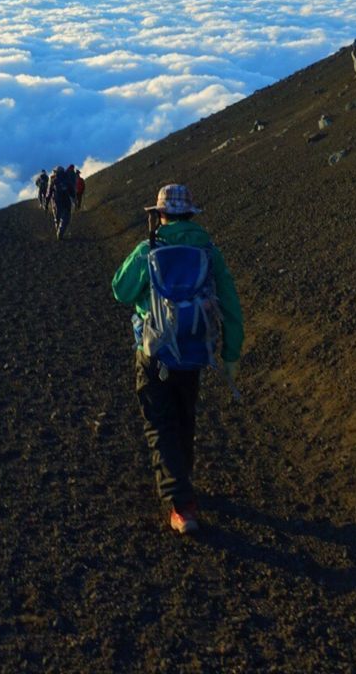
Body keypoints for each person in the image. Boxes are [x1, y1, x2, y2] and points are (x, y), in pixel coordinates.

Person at [111, 183, 244, 534]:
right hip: (195, 350)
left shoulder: (149, 249)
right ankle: (182, 481)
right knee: (184, 418)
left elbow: (120, 291)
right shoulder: (209, 251)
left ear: (160, 215)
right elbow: (230, 303)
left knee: (159, 423)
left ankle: (181, 505)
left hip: (154, 352)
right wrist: (230, 354)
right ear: (191, 215)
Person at [47, 166, 73, 239]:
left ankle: (58, 231)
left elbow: (49, 193)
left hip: (56, 202)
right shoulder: (67, 179)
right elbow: (71, 190)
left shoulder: (53, 180)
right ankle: (60, 231)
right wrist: (74, 198)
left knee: (57, 218)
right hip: (66, 201)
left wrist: (46, 203)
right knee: (66, 217)